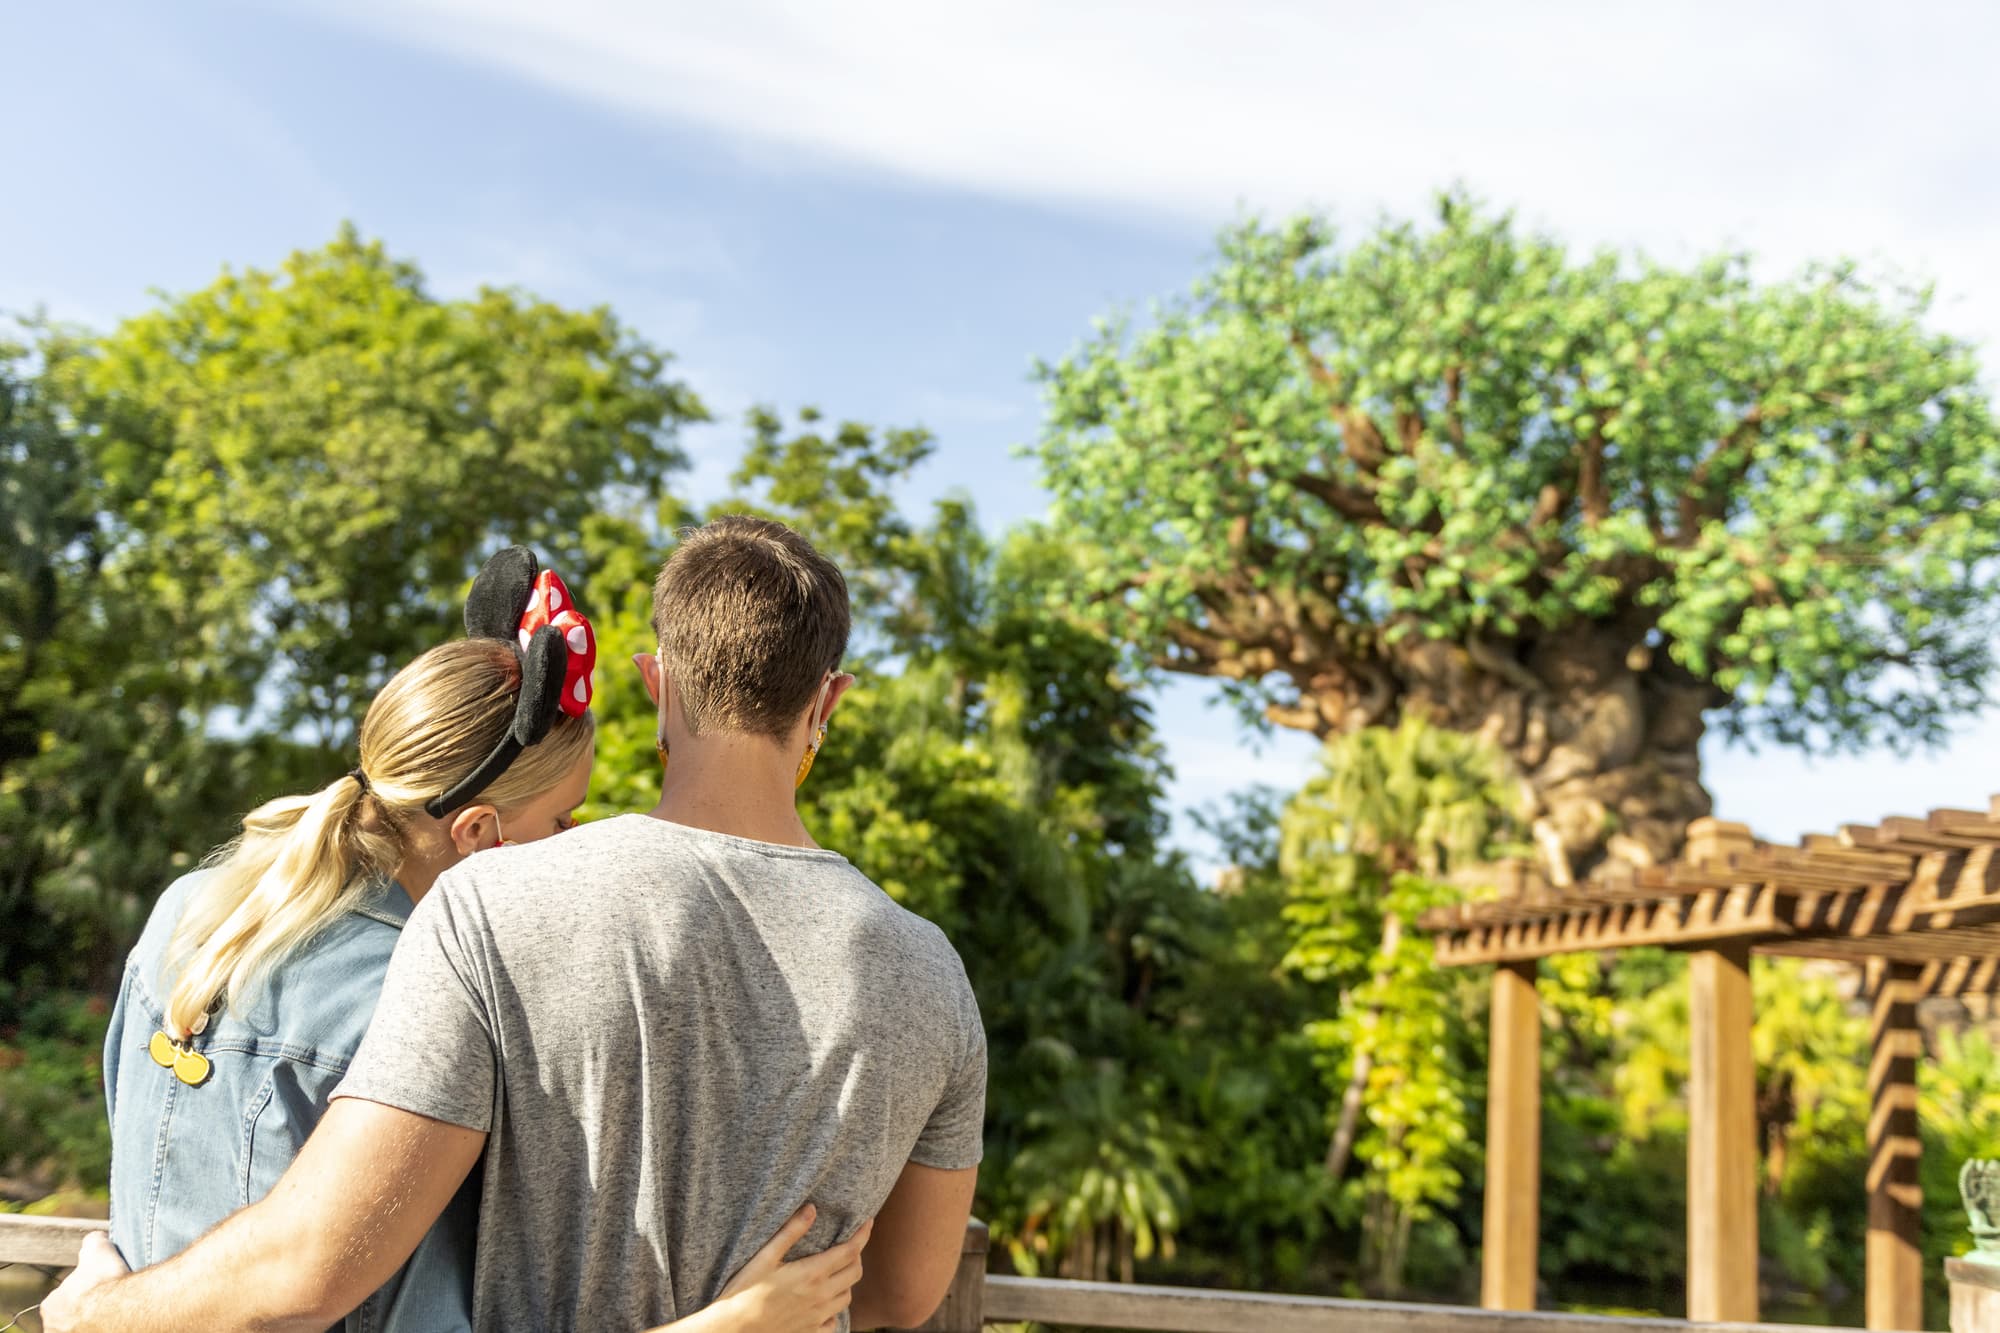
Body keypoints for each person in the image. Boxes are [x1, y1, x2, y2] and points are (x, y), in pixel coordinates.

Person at [46, 517, 986, 1333]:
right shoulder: (932, 972)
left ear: (658, 682)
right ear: (827, 702)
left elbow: (314, 1260)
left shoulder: (481, 909)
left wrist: (90, 1315)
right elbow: (904, 1293)